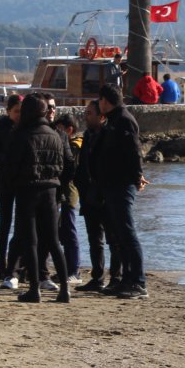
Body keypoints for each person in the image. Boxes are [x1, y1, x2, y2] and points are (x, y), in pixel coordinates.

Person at [2, 95, 74, 303]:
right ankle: (65, 289)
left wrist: (13, 184)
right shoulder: (57, 135)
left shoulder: (21, 135)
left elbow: (10, 166)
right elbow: (68, 165)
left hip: (27, 190)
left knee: (30, 241)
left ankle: (34, 288)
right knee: (53, 241)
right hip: (51, 190)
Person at [95, 84, 149, 299]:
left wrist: (137, 176)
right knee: (119, 234)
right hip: (112, 184)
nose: (99, 105)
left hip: (121, 184)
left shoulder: (124, 120)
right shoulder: (113, 120)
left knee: (127, 233)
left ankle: (138, 281)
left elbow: (134, 151)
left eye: (99, 100)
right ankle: (126, 279)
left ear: (106, 100)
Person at [74, 99, 120, 293]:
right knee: (95, 239)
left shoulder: (109, 136)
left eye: (89, 114)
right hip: (89, 195)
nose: (86, 117)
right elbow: (84, 166)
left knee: (113, 239)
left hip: (106, 196)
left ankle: (116, 277)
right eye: (85, 113)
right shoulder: (87, 135)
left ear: (101, 117)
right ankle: (97, 277)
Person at [0, 93, 22, 287]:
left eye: (21, 112)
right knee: (5, 223)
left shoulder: (26, 128)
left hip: (22, 182)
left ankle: (17, 265)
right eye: (16, 111)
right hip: (4, 182)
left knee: (22, 224)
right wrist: (5, 157)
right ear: (8, 111)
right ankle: (1, 264)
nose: (19, 115)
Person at [52, 111, 83, 287]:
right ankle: (66, 269)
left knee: (69, 232)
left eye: (60, 129)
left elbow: (68, 167)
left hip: (69, 194)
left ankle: (74, 271)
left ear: (69, 130)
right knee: (62, 233)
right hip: (64, 193)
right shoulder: (72, 144)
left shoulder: (75, 146)